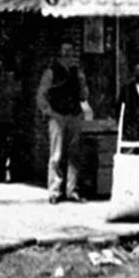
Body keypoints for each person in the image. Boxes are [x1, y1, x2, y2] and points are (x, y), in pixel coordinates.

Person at [37, 40, 92, 203]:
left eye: (70, 51)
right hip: (57, 116)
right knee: (56, 155)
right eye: (64, 51)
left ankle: (72, 190)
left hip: (74, 116)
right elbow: (42, 94)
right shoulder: (51, 72)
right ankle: (54, 191)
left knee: (74, 155)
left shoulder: (77, 72)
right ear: (60, 54)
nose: (68, 54)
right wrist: (48, 112)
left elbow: (83, 95)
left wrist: (82, 83)